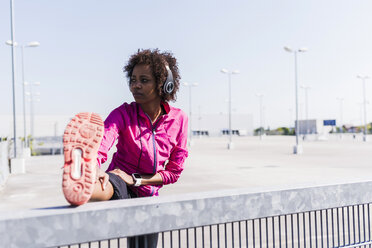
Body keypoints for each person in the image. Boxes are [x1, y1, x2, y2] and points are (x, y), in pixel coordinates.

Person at [61, 48, 188, 247]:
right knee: (110, 181)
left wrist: (136, 179)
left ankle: (84, 182)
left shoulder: (179, 119)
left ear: (165, 85)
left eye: (144, 80)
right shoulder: (122, 113)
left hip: (149, 197)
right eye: (133, 79)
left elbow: (173, 172)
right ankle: (81, 185)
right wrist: (94, 165)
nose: (135, 85)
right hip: (119, 181)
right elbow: (102, 143)